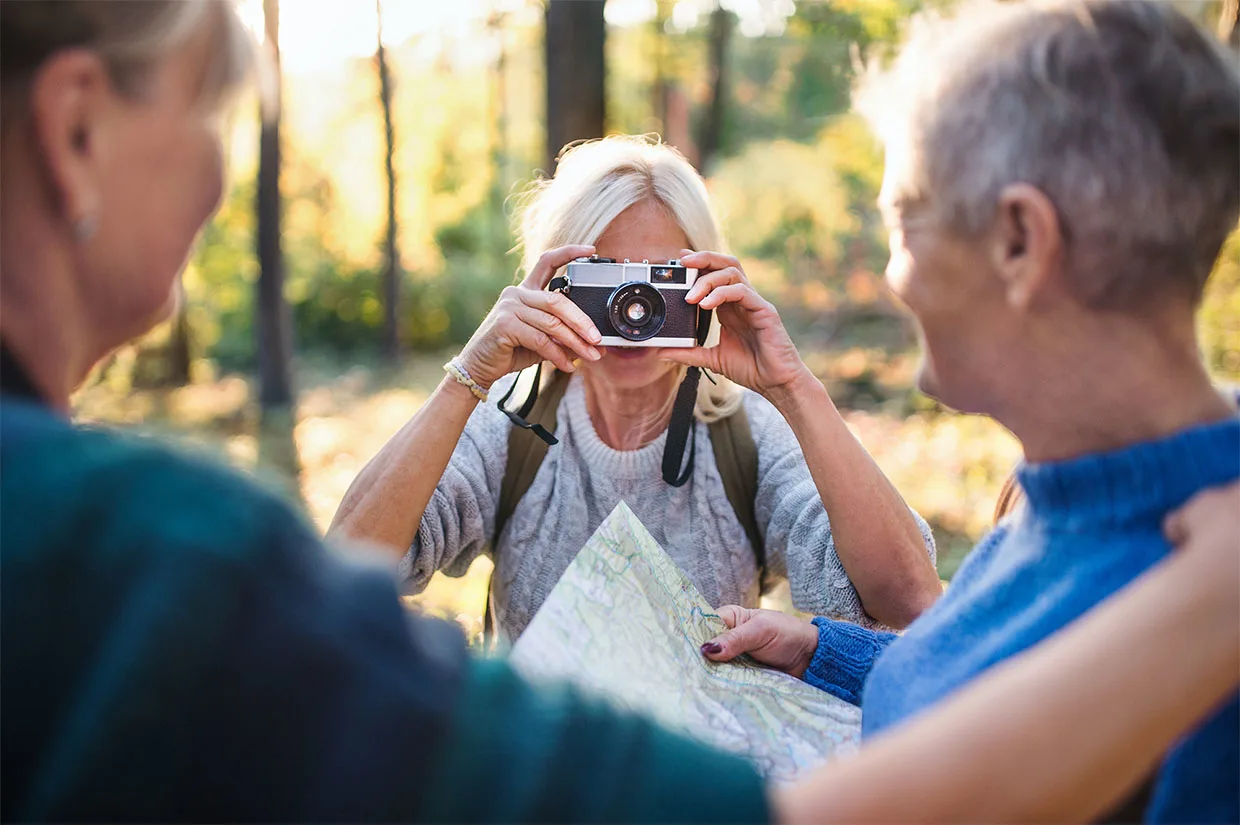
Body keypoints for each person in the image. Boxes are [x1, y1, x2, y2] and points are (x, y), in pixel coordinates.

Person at [1, 1, 1238, 822]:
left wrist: (817, 584)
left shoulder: (763, 442)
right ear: (70, 132)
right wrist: (468, 377)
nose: (892, 274)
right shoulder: (132, 542)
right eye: (210, 120)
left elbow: (930, 620)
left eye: (905, 225)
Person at [700, 2, 1240, 821]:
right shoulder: (1063, 488)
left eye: (904, 226)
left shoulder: (1203, 600)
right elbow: (1016, 682)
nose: (895, 276)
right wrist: (828, 650)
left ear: (1020, 241)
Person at [329, 136, 941, 643]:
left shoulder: (746, 435)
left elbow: (906, 601)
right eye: (606, 280)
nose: (634, 311)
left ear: (707, 278)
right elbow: (344, 572)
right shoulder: (511, 427)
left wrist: (793, 387)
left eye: (659, 280)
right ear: (552, 283)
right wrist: (468, 379)